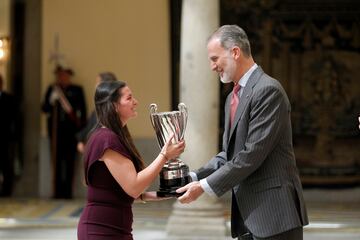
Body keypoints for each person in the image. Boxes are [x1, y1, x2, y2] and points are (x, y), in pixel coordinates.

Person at [176, 25, 309, 240]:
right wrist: (191, 177)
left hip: (275, 216)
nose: (212, 67)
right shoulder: (232, 97)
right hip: (249, 218)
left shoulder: (268, 90)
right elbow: (228, 155)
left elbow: (251, 155)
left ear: (235, 52)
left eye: (215, 58)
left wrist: (203, 187)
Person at [77, 80, 185, 240]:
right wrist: (164, 156)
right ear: (114, 105)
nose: (136, 102)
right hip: (100, 231)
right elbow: (133, 186)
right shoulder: (106, 138)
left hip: (115, 229)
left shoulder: (110, 136)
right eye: (129, 98)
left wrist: (160, 194)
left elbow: (120, 191)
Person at [42, 65, 87, 199]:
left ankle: (67, 192)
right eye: (60, 75)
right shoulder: (52, 89)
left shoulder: (77, 90)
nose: (62, 78)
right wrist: (51, 100)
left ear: (69, 76)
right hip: (56, 134)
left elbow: (82, 112)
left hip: (71, 134)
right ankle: (57, 191)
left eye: (65, 75)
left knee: (69, 163)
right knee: (56, 162)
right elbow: (44, 109)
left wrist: (81, 133)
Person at [76, 72, 117, 153]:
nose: (95, 86)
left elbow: (99, 130)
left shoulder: (110, 108)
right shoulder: (100, 106)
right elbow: (90, 126)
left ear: (104, 86)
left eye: (98, 83)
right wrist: (81, 139)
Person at [0, 73, 18, 197]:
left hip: (5, 138)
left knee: (6, 166)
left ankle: (7, 193)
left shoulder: (9, 99)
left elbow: (14, 119)